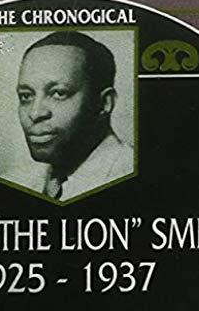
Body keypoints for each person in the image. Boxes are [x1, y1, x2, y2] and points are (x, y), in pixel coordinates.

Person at [13, 31, 134, 200]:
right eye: (26, 96)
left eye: (59, 93)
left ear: (104, 103)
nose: (35, 113)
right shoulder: (20, 182)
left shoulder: (132, 175)